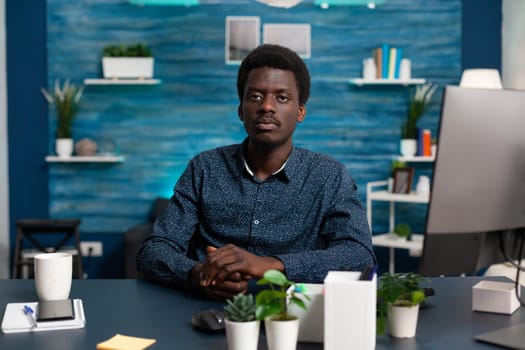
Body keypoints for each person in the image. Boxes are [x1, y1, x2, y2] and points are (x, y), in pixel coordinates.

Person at [137, 44, 375, 299]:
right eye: (255, 97)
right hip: (200, 307)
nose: (267, 107)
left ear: (300, 112)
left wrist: (270, 265)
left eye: (282, 97)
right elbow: (154, 251)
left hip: (290, 313)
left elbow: (358, 254)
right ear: (241, 109)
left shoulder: (329, 175)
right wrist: (198, 274)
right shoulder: (204, 168)